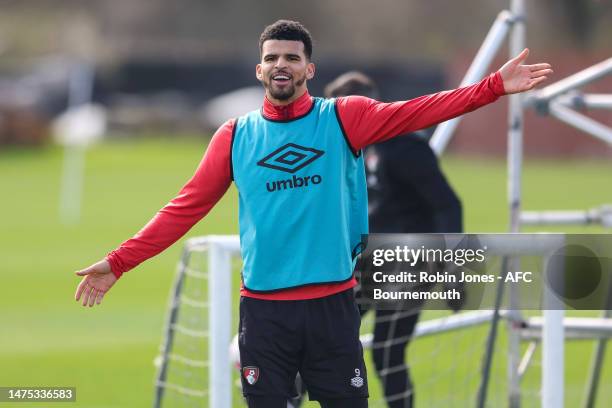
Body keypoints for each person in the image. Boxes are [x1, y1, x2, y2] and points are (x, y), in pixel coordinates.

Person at [73, 19, 552, 408]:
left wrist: (492, 87)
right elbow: (184, 208)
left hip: (332, 310)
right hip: (264, 315)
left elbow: (420, 110)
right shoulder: (235, 136)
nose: (281, 65)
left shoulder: (343, 118)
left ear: (309, 69)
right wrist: (118, 263)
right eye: (272, 58)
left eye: (291, 58)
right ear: (260, 71)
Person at [324, 72, 463, 408]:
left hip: (410, 262)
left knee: (387, 351)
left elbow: (447, 204)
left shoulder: (405, 146)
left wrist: (454, 270)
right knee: (321, 338)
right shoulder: (345, 145)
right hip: (369, 261)